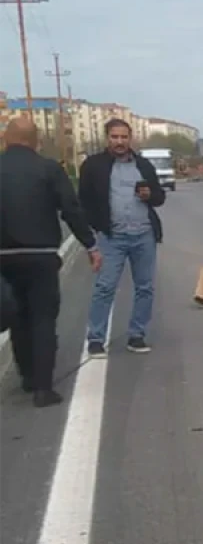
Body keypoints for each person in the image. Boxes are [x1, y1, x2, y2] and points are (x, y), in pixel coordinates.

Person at [0, 116, 103, 407]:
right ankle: (43, 390)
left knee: (19, 319)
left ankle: (28, 377)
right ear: (36, 141)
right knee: (43, 318)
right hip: (41, 255)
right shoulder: (48, 169)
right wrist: (91, 245)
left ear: (6, 139)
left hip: (3, 258)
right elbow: (71, 209)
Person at [78, 118, 167, 357]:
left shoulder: (144, 165)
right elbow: (83, 201)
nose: (120, 142)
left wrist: (150, 194)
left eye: (124, 137)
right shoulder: (93, 165)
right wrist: (93, 233)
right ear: (107, 138)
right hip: (112, 237)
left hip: (143, 235)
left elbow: (160, 198)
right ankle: (96, 338)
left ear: (131, 138)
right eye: (115, 137)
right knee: (105, 288)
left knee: (145, 288)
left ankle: (137, 335)